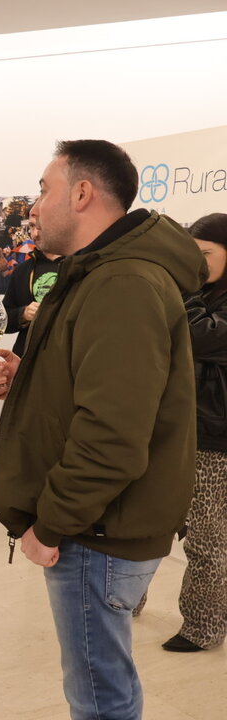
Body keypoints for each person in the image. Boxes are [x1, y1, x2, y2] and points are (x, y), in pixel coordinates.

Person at [0, 140, 205, 719]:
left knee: (100, 696)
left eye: (42, 189)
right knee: (103, 682)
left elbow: (113, 435)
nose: (32, 205)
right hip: (98, 524)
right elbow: (98, 385)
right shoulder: (99, 275)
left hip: (94, 530)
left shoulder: (122, 282)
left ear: (82, 194)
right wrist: (30, 377)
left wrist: (51, 525)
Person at [161, 212, 227, 653]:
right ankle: (125, 601)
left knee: (206, 538)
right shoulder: (197, 295)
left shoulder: (195, 300)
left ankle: (203, 626)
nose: (197, 265)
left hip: (212, 438)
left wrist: (182, 290)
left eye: (205, 255)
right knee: (148, 520)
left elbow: (196, 336)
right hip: (172, 428)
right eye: (192, 256)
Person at [1, 216, 63, 356]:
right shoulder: (23, 269)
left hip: (66, 358)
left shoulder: (77, 264)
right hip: (27, 358)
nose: (35, 234)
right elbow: (4, 320)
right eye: (32, 226)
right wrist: (23, 314)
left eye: (40, 227)